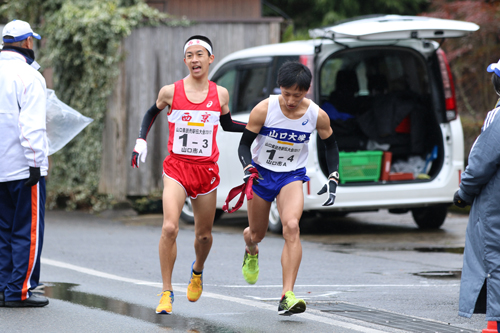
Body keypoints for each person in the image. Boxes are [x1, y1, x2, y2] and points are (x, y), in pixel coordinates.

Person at [131, 35, 246, 314]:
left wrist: (255, 129)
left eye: (200, 54)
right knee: (170, 227)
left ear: (210, 59)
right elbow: (150, 113)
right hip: (176, 168)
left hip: (206, 171)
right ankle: (166, 291)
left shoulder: (220, 94)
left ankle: (197, 270)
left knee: (204, 236)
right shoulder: (171, 91)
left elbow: (228, 124)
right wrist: (140, 140)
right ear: (185, 60)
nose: (195, 59)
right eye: (190, 55)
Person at [237, 61, 340, 315]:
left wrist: (333, 175)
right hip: (262, 175)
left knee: (292, 226)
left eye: (298, 94)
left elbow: (331, 144)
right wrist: (248, 167)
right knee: (256, 234)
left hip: (291, 176)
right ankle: (251, 249)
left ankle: (287, 295)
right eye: (287, 93)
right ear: (279, 88)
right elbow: (243, 146)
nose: (292, 100)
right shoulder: (264, 109)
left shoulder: (316, 115)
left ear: (307, 91)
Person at [0, 20, 49, 308]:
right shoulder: (29, 76)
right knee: (26, 231)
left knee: (3, 230)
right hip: (22, 167)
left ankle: (4, 287)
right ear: (29, 42)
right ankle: (19, 291)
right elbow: (31, 126)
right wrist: (36, 164)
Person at [454, 59, 500, 331]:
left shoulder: (497, 117)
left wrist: (464, 193)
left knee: (495, 258)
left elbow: (482, 162)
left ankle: (494, 323)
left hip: (494, 200)